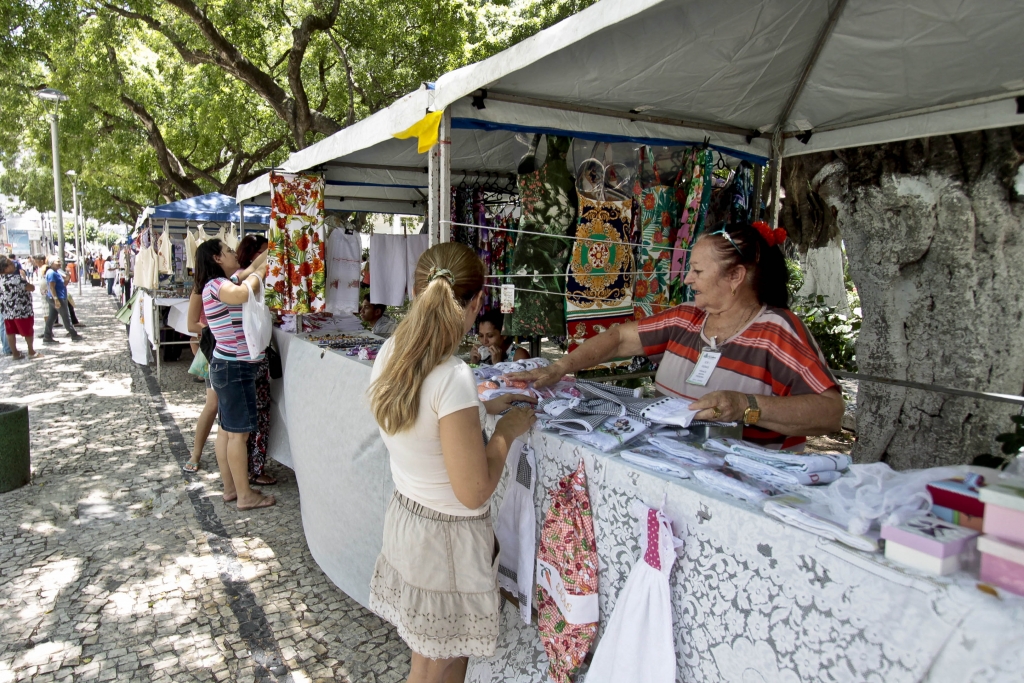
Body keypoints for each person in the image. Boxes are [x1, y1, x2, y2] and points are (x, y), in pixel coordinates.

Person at [511, 221, 845, 451]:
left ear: (735, 276)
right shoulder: (687, 318)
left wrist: (747, 406)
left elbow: (830, 413)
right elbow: (617, 338)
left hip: (745, 488)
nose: (687, 279)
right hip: (672, 465)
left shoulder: (777, 332)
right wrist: (560, 368)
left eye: (698, 271)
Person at [367, 242, 537, 683]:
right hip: (446, 541)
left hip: (410, 523)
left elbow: (426, 426)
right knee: (443, 663)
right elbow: (474, 491)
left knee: (426, 659)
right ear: (478, 301)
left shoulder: (392, 354)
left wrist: (484, 408)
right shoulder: (452, 377)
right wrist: (504, 432)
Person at [195, 238, 274, 510]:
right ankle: (245, 495)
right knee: (238, 435)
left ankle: (231, 489)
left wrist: (269, 254)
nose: (232, 253)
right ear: (217, 259)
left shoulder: (226, 281)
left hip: (227, 366)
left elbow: (251, 265)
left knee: (228, 432)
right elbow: (242, 294)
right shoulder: (216, 286)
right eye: (227, 251)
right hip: (234, 367)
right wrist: (261, 275)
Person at [234, 234, 276, 486]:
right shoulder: (246, 282)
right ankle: (255, 470)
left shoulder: (235, 281)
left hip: (243, 359)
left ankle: (246, 470)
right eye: (263, 251)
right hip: (251, 358)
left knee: (244, 423)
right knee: (257, 419)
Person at [182, 288, 218, 474]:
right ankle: (196, 453)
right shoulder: (200, 290)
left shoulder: (231, 281)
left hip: (228, 348)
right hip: (213, 348)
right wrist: (218, 328)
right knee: (212, 405)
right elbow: (191, 326)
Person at [0, 256, 39, 359]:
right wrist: (24, 278)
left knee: (10, 332)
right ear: (6, 268)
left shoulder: (1, 279)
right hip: (22, 310)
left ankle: (15, 354)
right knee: (27, 331)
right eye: (11, 264)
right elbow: (31, 288)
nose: (14, 265)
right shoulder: (16, 278)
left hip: (7, 311)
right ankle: (31, 351)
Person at [41, 257, 82, 344]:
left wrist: (67, 278)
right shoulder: (52, 273)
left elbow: (63, 284)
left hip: (58, 296)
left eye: (60, 261)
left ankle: (47, 336)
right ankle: (73, 334)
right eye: (57, 262)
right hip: (57, 297)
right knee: (66, 316)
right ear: (52, 263)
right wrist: (56, 299)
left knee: (52, 318)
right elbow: (52, 287)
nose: (60, 263)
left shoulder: (56, 272)